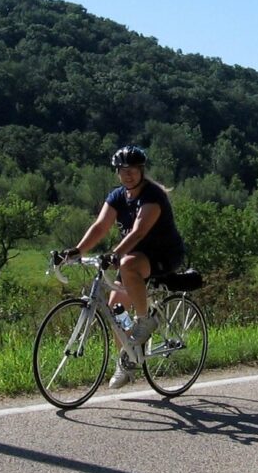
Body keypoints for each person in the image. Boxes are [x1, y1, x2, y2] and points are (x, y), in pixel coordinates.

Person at [64, 144, 186, 388]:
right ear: (117, 172)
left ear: (142, 171)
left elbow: (139, 231)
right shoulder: (118, 196)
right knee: (115, 309)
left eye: (133, 169)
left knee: (128, 264)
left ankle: (145, 322)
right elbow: (100, 226)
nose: (127, 174)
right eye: (122, 170)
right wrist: (77, 251)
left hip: (164, 254)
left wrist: (114, 254)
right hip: (136, 256)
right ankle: (127, 360)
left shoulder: (153, 196)